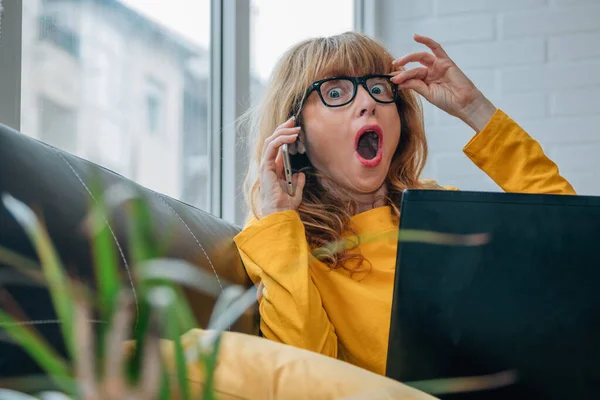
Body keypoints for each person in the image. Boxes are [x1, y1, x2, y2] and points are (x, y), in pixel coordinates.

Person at [233, 30, 576, 378]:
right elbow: (304, 373)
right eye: (335, 93)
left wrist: (473, 108)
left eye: (379, 88)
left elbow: (572, 243)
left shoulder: (442, 212)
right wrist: (279, 219)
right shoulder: (287, 242)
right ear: (296, 137)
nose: (368, 103)